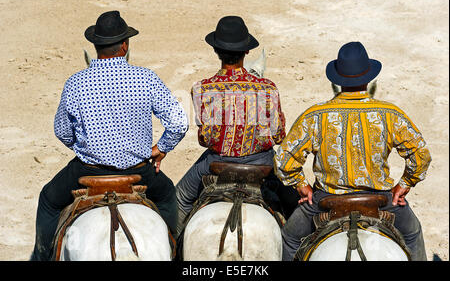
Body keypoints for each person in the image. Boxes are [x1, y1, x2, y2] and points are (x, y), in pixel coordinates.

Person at [30, 10, 188, 260]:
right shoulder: (146, 78)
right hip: (138, 171)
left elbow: (61, 131)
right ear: (124, 46)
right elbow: (179, 123)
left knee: (48, 200)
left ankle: (41, 256)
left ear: (95, 46)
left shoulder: (76, 82)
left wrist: (85, 146)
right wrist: (161, 148)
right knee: (168, 194)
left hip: (87, 172)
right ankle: (175, 253)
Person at [274, 41, 432, 261]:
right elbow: (421, 155)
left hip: (326, 201)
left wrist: (301, 186)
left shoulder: (315, 115)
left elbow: (284, 159)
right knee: (413, 233)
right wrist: (404, 184)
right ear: (368, 78)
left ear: (337, 81)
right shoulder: (390, 114)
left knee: (290, 238)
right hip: (380, 200)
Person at [175, 15, 299, 237]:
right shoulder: (267, 88)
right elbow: (279, 135)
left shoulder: (202, 88)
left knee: (181, 197)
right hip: (263, 162)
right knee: (297, 204)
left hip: (216, 162)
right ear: (247, 51)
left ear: (215, 51)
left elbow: (205, 139)